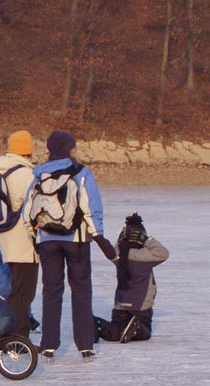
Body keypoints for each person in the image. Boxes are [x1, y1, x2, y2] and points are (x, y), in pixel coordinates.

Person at [23, 130, 115, 362]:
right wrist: (100, 238)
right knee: (81, 291)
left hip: (47, 240)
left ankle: (49, 345)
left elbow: (27, 211)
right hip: (76, 240)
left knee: (51, 291)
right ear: (69, 148)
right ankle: (85, 345)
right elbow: (90, 207)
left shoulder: (39, 174)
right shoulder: (81, 172)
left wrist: (35, 238)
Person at [0, 130, 39, 339]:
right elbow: (33, 211)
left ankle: (9, 334)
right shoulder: (27, 175)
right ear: (28, 150)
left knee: (14, 290)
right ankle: (16, 338)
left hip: (4, 239)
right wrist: (37, 239)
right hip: (24, 243)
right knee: (24, 293)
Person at [95, 213, 169, 343]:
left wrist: (121, 239)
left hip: (120, 306)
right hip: (140, 306)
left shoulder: (118, 256)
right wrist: (147, 239)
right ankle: (136, 327)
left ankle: (97, 324)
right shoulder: (144, 257)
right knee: (145, 333)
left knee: (115, 331)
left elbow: (112, 251)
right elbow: (163, 253)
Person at [0, 244, 40, 332]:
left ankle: (26, 316)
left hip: (19, 243)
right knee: (5, 287)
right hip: (5, 239)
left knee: (18, 285)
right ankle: (21, 316)